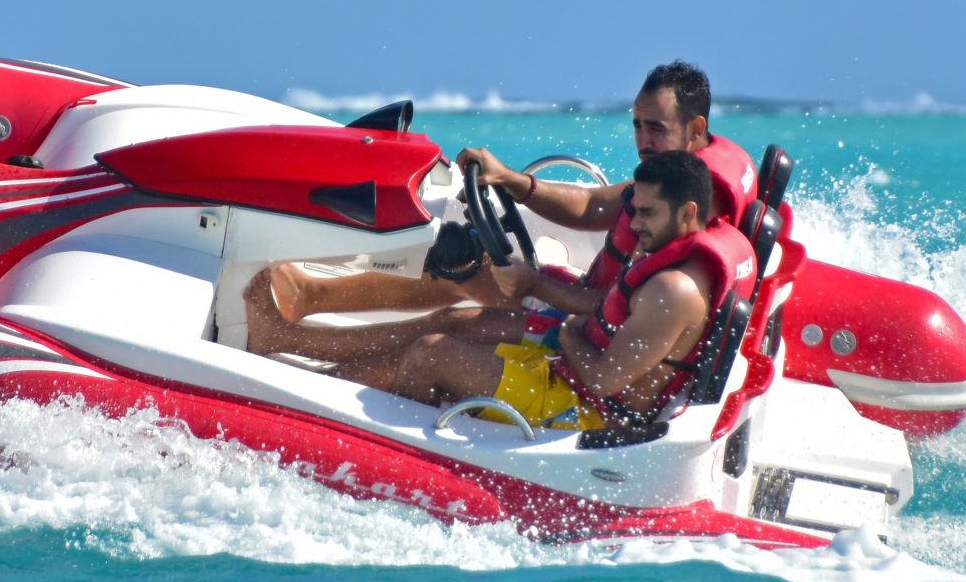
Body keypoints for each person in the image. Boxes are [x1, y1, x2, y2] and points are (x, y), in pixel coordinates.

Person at [251, 59, 755, 331]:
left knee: (459, 310)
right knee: (469, 273)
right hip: (589, 301)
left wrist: (539, 287)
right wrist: (514, 180)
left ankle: (299, 341)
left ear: (696, 129)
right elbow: (599, 206)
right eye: (638, 126)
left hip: (589, 322)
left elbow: (623, 309)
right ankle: (311, 300)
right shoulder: (685, 173)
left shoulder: (689, 200)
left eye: (656, 128)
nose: (643, 139)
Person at [265, 151, 749, 431]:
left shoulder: (674, 289)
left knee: (430, 355)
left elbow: (604, 380)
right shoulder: (673, 251)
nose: (635, 223)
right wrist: (574, 324)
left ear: (688, 213)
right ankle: (308, 373)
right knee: (454, 324)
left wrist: (572, 329)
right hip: (573, 371)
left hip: (586, 412)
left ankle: (388, 443)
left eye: (646, 214)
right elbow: (609, 314)